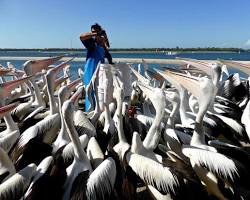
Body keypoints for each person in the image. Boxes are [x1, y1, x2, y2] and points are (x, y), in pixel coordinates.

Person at [80, 23, 113, 111]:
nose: (94, 34)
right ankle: (90, 112)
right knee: (90, 93)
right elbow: (81, 37)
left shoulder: (102, 46)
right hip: (90, 72)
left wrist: (112, 65)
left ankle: (99, 112)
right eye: (92, 32)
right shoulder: (90, 43)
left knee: (99, 94)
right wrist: (96, 34)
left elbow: (108, 56)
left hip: (100, 73)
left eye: (96, 32)